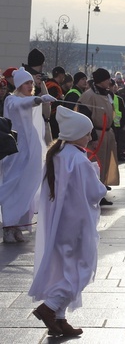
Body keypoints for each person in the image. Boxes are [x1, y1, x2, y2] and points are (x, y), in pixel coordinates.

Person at [28, 106, 107, 337]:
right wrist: (97, 174)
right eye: (87, 133)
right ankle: (50, 308)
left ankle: (59, 320)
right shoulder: (79, 161)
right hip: (77, 225)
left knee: (64, 269)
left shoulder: (59, 155)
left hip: (61, 224)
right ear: (75, 135)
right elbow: (95, 193)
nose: (91, 137)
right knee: (80, 268)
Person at [0, 68, 54, 243]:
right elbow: (21, 105)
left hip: (30, 152)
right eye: (26, 83)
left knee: (27, 186)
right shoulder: (11, 99)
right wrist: (38, 99)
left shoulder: (28, 100)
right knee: (12, 187)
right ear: (18, 85)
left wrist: (39, 98)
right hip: (16, 152)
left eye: (31, 82)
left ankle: (19, 225)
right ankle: (8, 225)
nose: (30, 86)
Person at [78, 69, 119, 206]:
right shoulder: (89, 96)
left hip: (107, 133)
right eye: (107, 79)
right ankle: (93, 194)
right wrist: (93, 138)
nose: (109, 81)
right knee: (96, 165)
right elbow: (85, 117)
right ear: (101, 80)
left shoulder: (107, 94)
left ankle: (101, 193)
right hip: (97, 134)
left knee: (105, 165)